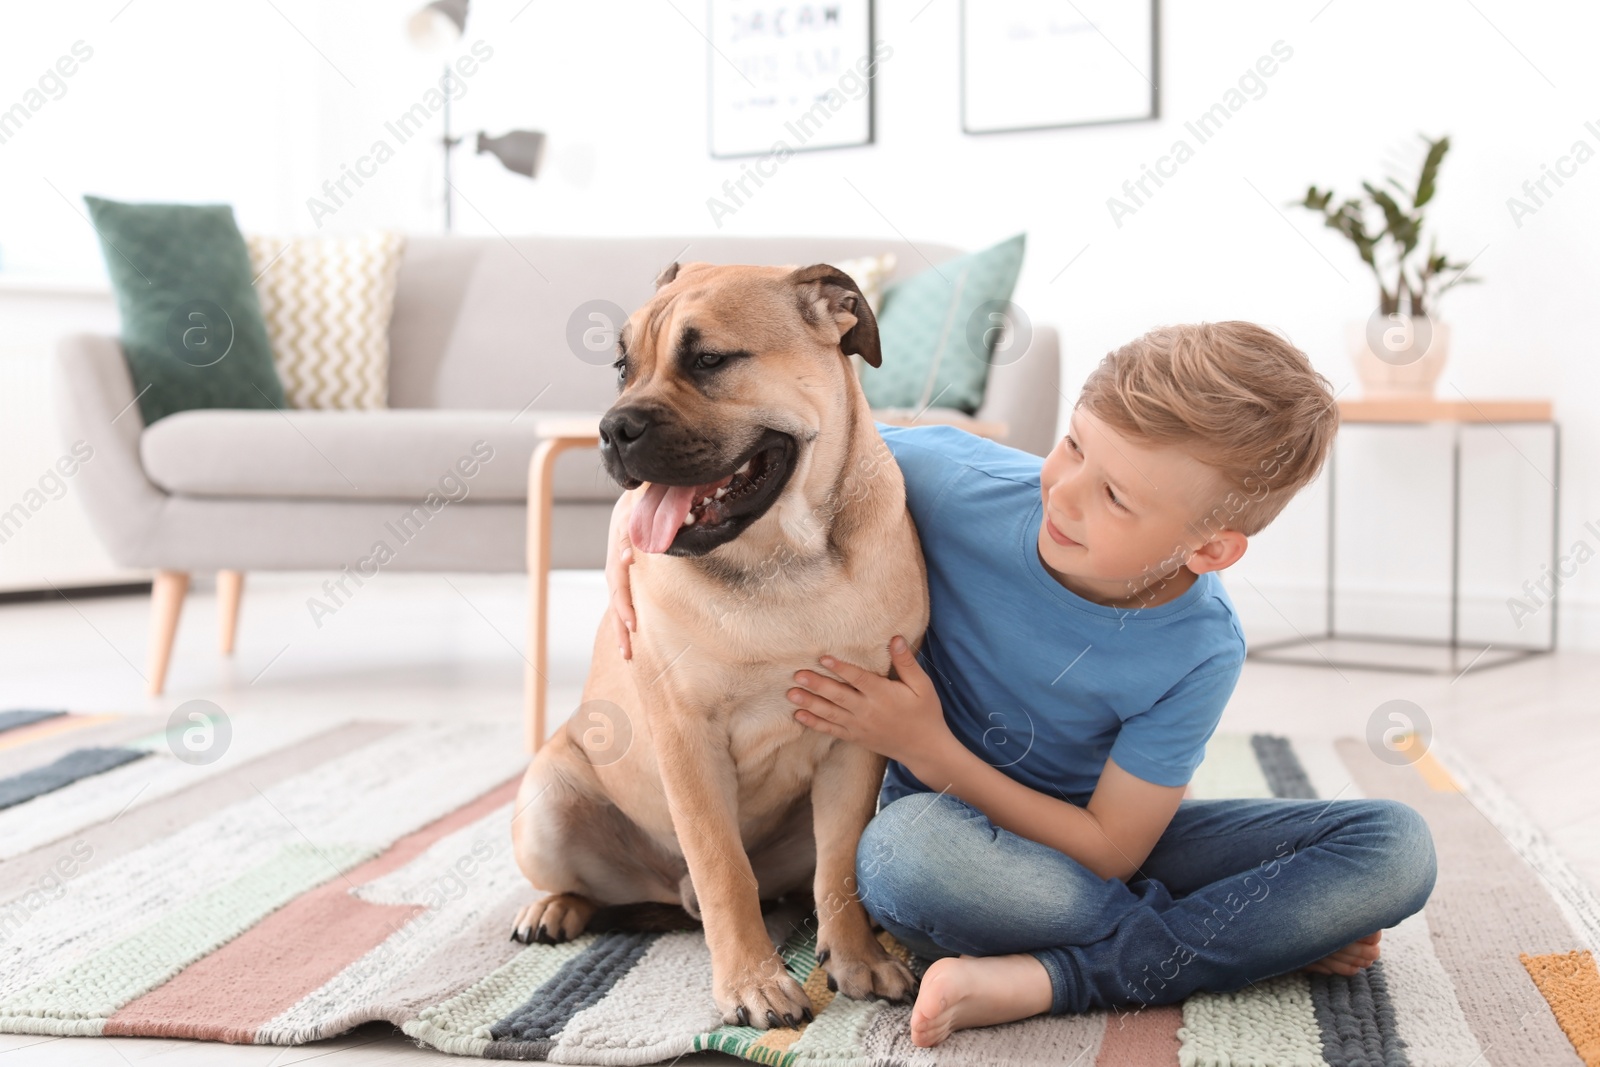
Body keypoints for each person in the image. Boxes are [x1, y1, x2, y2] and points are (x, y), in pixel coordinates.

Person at [604, 322, 1437, 1048]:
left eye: (1113, 494)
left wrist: (927, 745)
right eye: (1074, 444)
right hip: (948, 834)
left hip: (1084, 842)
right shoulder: (949, 482)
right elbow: (795, 443)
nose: (1064, 493)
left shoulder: (1200, 648)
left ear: (1210, 550)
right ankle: (1242, 930)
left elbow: (1113, 848)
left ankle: (1055, 979)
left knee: (1396, 845)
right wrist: (639, 514)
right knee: (899, 859)